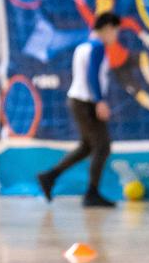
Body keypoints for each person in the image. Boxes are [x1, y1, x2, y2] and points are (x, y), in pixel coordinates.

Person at [36, 12, 121, 207]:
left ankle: (49, 176)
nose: (116, 36)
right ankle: (91, 193)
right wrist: (100, 101)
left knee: (87, 146)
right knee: (102, 146)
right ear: (108, 28)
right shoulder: (98, 46)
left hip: (77, 100)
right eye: (116, 31)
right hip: (86, 102)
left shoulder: (83, 46)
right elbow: (92, 75)